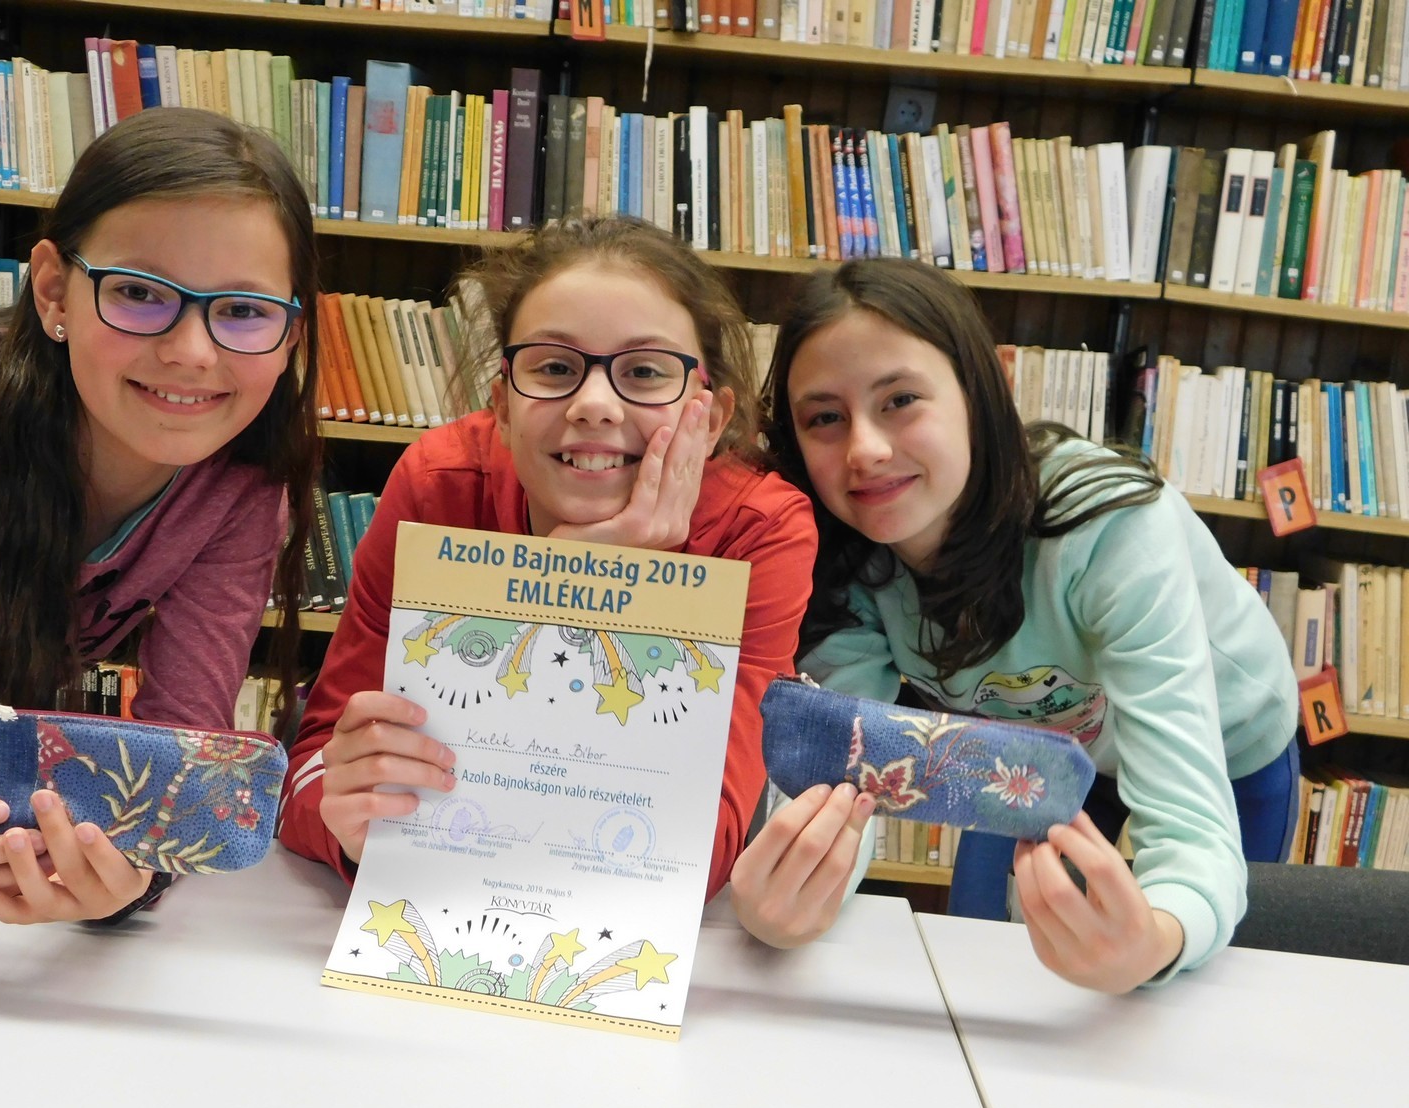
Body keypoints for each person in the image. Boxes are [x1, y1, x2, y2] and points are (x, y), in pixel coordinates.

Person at [0, 107, 319, 933]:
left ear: (292, 331)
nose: (192, 352)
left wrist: (132, 876)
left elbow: (179, 771)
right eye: (139, 294)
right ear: (53, 290)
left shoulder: (242, 491)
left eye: (244, 311)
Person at [732, 257, 1299, 992]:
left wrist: (1156, 941)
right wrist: (792, 900)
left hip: (1227, 743)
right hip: (1038, 748)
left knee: (1196, 971)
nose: (865, 448)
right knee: (982, 941)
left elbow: (1192, 829)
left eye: (900, 399)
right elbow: (842, 787)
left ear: (981, 393)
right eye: (824, 418)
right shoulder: (841, 559)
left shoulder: (1109, 525)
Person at [278, 215, 817, 900]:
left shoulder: (759, 532)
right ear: (503, 407)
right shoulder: (439, 487)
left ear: (709, 420)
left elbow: (698, 849)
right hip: (429, 909)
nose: (594, 405)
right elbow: (313, 778)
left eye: (645, 371)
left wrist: (618, 586)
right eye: (555, 368)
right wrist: (352, 829)